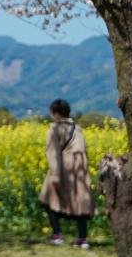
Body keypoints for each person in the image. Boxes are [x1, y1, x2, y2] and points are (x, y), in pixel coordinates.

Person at [39, 98, 94, 248]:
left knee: (50, 199)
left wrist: (56, 175)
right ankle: (82, 239)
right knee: (80, 202)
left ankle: (57, 235)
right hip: (80, 167)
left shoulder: (54, 129)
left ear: (55, 113)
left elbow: (53, 153)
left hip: (64, 165)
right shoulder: (77, 128)